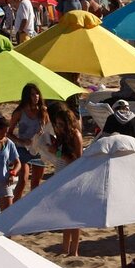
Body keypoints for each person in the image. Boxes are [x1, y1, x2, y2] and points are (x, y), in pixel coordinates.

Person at [8, 83, 50, 201]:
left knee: (36, 182)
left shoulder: (43, 111)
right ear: (27, 96)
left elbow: (49, 129)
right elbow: (9, 133)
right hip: (22, 148)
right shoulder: (19, 112)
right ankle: (14, 208)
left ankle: (30, 207)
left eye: (37, 93)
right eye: (32, 94)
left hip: (39, 148)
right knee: (23, 180)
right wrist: (21, 140)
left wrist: (44, 134)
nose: (36, 96)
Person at [52, 104, 84, 255]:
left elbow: (78, 160)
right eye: (57, 124)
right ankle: (65, 248)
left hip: (72, 177)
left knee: (73, 216)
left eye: (60, 124)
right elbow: (60, 156)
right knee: (64, 215)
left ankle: (74, 250)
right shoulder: (61, 136)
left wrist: (58, 153)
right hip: (60, 176)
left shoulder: (75, 135)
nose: (57, 126)